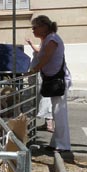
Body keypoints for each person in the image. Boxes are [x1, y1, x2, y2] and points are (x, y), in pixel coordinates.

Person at [28, 15, 71, 152]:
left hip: (58, 80)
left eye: (35, 27)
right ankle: (56, 143)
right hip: (53, 79)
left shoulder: (52, 39)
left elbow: (46, 57)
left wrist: (34, 69)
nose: (33, 30)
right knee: (56, 112)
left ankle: (63, 145)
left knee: (59, 112)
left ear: (44, 27)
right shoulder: (47, 39)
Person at [26, 37, 54, 132]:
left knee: (44, 98)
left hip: (42, 75)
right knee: (38, 98)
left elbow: (40, 52)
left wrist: (30, 43)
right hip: (39, 74)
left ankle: (49, 124)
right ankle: (47, 123)